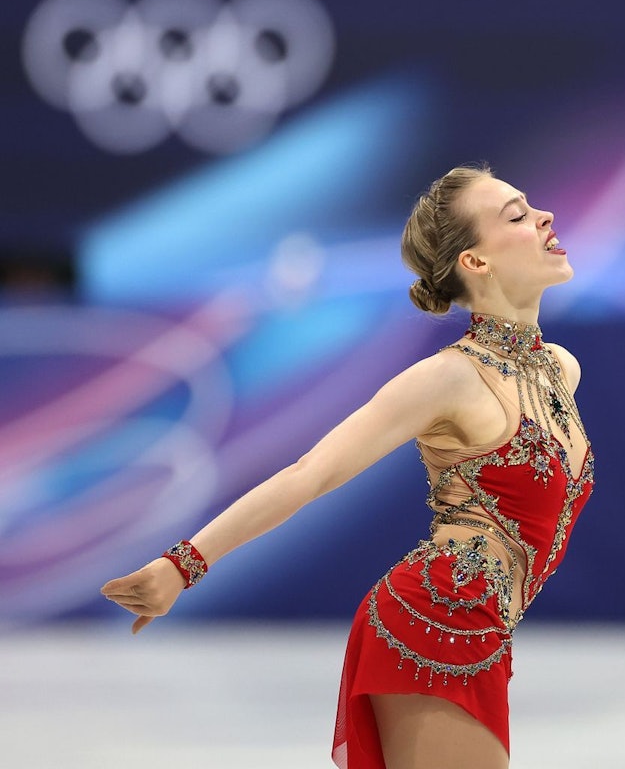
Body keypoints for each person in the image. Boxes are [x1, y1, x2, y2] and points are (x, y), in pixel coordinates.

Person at [101, 164, 595, 769]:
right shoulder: (448, 378)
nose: (544, 216)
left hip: (485, 633)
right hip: (431, 626)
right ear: (476, 262)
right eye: (517, 215)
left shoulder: (560, 370)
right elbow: (310, 473)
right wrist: (183, 566)